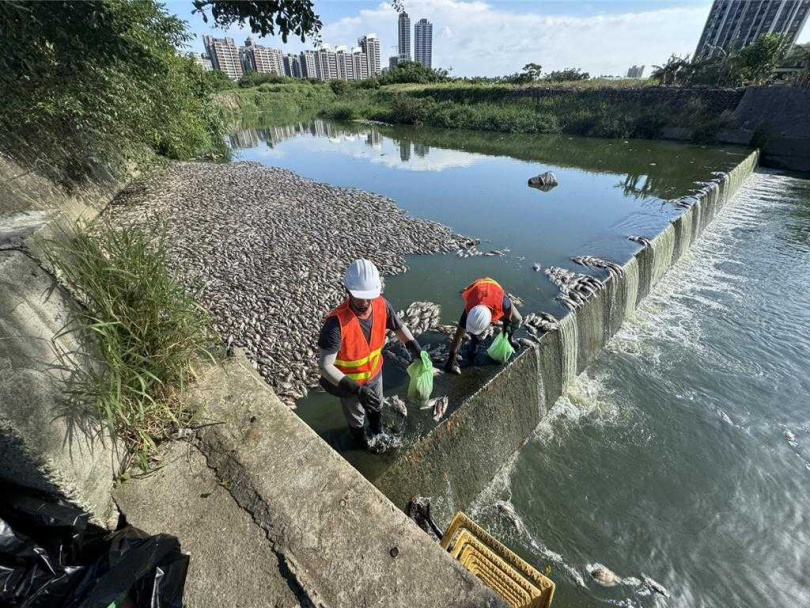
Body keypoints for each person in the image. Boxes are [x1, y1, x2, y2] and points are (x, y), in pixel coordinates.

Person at [318, 259, 422, 450]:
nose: (365, 302)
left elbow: (398, 327)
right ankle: (360, 441)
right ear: (348, 291)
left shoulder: (382, 305)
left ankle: (377, 430)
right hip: (349, 384)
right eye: (360, 297)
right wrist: (357, 390)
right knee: (356, 415)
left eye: (369, 297)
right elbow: (325, 366)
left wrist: (415, 348)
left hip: (375, 375)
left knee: (377, 406)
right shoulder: (335, 324)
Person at [443, 277, 522, 375]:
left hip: (494, 289)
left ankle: (510, 338)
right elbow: (458, 335)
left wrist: (506, 329)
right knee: (474, 337)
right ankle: (474, 342)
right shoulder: (469, 312)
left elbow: (508, 315)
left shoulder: (504, 303)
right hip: (479, 289)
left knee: (518, 319)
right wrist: (451, 357)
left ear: (490, 321)